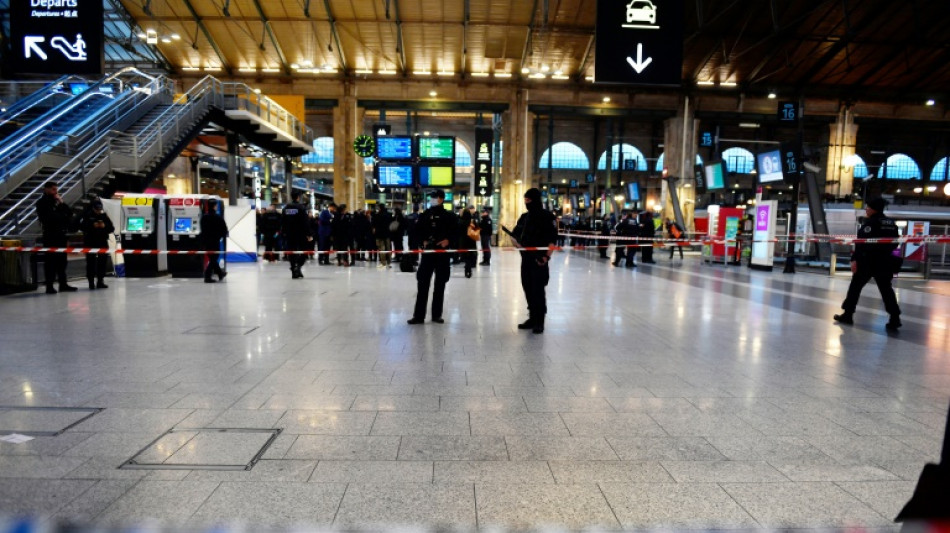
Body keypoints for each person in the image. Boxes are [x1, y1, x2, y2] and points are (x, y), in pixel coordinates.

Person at [834, 197, 903, 330]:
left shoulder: (871, 223)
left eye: (868, 207)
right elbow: (895, 243)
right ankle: (895, 318)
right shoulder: (891, 223)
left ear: (874, 209)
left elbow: (861, 243)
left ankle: (848, 314)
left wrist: (854, 259)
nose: (866, 209)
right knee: (886, 290)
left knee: (855, 287)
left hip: (867, 261)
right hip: (885, 261)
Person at [509, 187, 558, 334]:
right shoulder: (524, 217)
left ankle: (539, 321)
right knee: (528, 288)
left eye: (529, 200)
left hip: (540, 260)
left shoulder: (548, 217)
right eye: (525, 200)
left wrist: (546, 257)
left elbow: (552, 240)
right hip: (526, 259)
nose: (526, 203)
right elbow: (514, 235)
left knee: (538, 290)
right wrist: (518, 244)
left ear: (535, 200)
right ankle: (532, 317)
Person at [408, 190, 458, 325]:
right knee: (422, 284)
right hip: (428, 254)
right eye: (431, 197)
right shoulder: (425, 215)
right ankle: (419, 316)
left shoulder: (449, 216)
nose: (432, 200)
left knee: (440, 285)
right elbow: (416, 231)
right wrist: (422, 242)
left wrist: (448, 240)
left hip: (442, 254)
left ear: (441, 199)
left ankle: (437, 315)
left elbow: (457, 233)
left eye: (435, 197)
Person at [35, 181, 78, 294]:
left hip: (61, 235)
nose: (56, 192)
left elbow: (69, 214)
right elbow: (50, 218)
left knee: (62, 261)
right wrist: (62, 216)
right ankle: (49, 286)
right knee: (50, 262)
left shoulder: (56, 202)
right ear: (47, 189)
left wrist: (61, 203)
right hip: (50, 235)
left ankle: (63, 284)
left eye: (56, 189)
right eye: (53, 189)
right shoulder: (42, 203)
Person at [79, 199, 115, 290]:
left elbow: (111, 228)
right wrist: (92, 225)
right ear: (93, 208)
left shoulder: (104, 216)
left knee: (102, 262)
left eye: (100, 209)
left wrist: (104, 226)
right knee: (90, 262)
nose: (98, 211)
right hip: (90, 241)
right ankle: (91, 282)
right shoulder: (87, 215)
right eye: (97, 209)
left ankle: (100, 281)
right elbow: (82, 227)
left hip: (102, 241)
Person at [281, 191, 312, 278]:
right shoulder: (301, 207)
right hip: (300, 233)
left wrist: (284, 232)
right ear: (298, 197)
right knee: (305, 251)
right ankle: (298, 266)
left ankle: (294, 269)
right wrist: (309, 234)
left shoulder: (286, 208)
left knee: (291, 251)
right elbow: (305, 222)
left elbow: (283, 221)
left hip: (289, 233)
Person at [200, 198, 229, 283]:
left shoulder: (204, 217)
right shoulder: (218, 217)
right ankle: (207, 276)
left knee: (212, 258)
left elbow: (202, 230)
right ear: (214, 206)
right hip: (215, 241)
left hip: (206, 241)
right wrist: (220, 236)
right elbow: (224, 229)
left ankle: (220, 273)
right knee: (214, 258)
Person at [459, 205, 478, 278]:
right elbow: (477, 230)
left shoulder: (460, 222)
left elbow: (458, 231)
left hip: (463, 241)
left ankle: (467, 268)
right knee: (471, 254)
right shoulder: (472, 221)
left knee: (465, 255)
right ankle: (469, 268)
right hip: (471, 240)